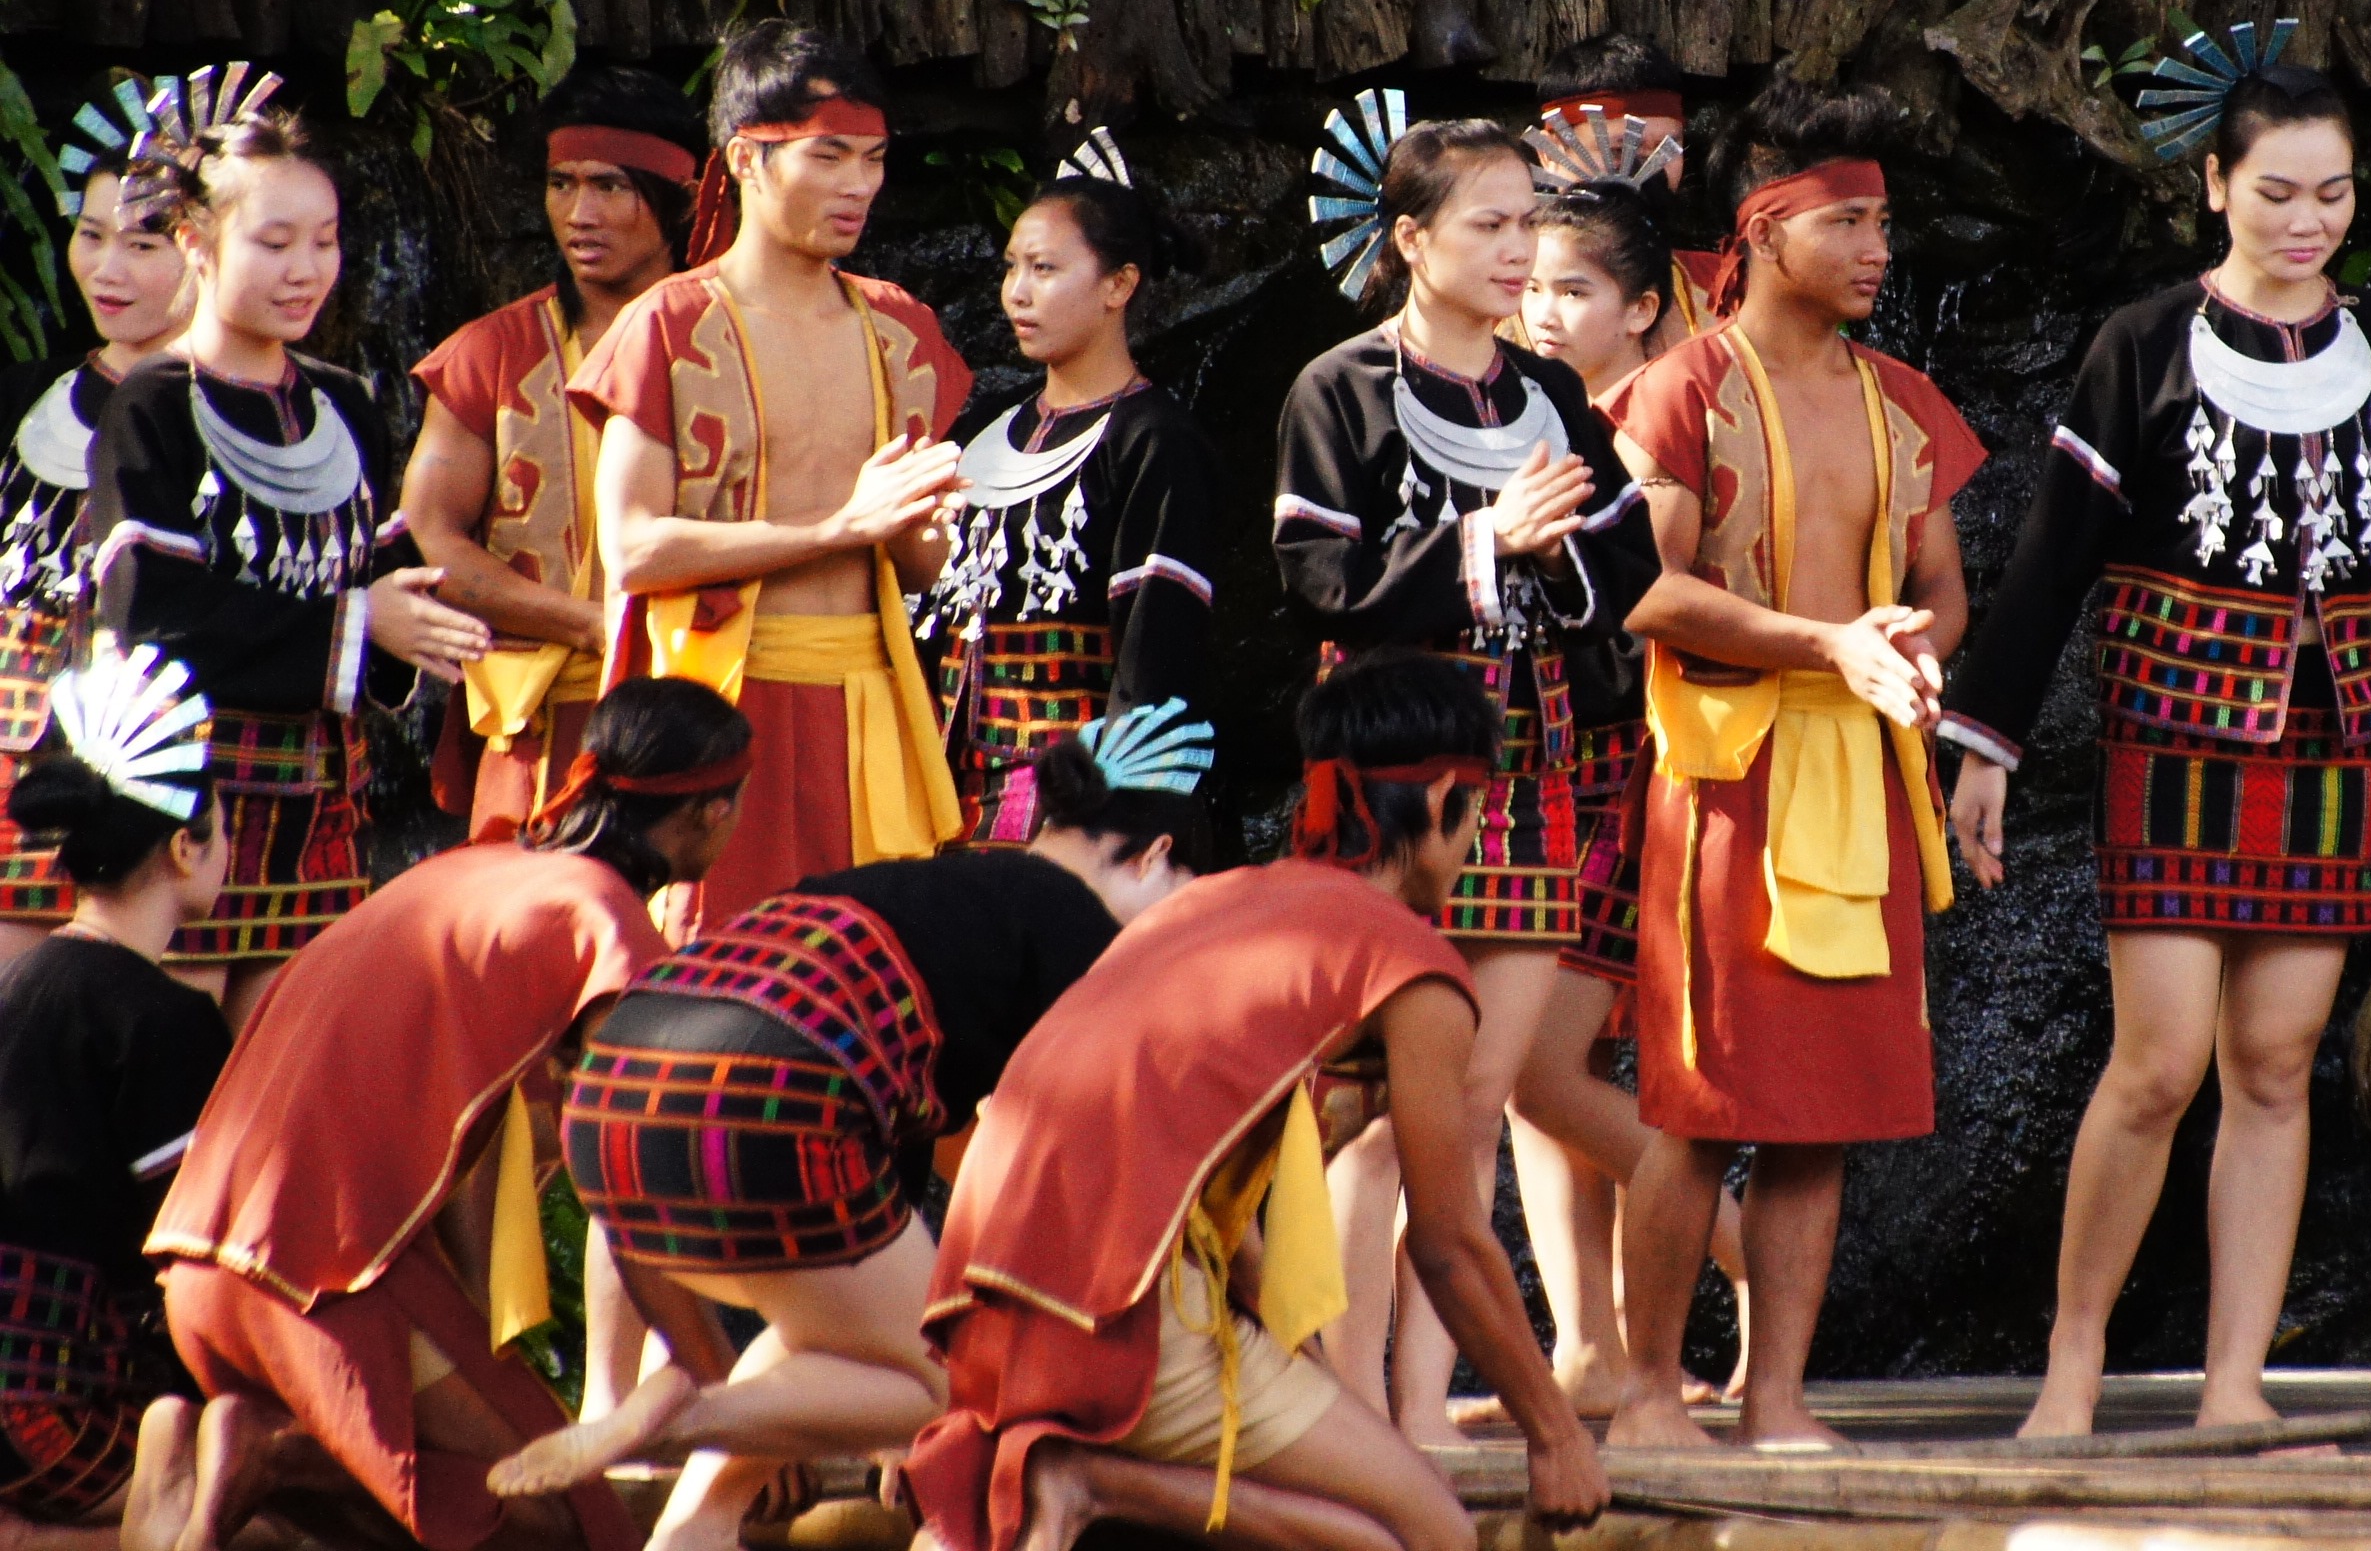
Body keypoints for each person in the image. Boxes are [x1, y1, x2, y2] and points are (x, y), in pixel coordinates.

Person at [1942, 48, 2371, 1436]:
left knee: (2279, 1061)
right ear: (2215, 185)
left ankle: (2235, 1382)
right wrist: (1986, 742)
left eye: (2332, 194)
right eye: (2278, 192)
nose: (2308, 221)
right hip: (2173, 726)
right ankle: (2072, 1362)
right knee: (2160, 1063)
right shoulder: (2143, 342)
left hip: (2335, 734)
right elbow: (2054, 557)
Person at [904, 648, 1607, 1551]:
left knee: (1372, 1516)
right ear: (1444, 801)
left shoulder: (1212, 901)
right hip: (1106, 1326)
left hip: (977, 1307)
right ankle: (1091, 1480)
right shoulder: (1412, 962)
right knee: (1436, 1534)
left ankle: (1100, 1480)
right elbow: (1450, 1246)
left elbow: (1190, 1194)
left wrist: (1313, 1379)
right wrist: (1555, 1435)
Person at [488, 705, 1208, 1551]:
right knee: (952, 1390)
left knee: (823, 1346)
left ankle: (693, 1529)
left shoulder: (924, 891)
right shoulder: (1077, 933)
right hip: (770, 1095)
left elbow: (891, 1204)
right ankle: (685, 1420)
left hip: (615, 1097)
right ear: (1156, 858)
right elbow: (1080, 1178)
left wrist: (867, 1411)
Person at [137, 680, 757, 1551]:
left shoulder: (475, 867)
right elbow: (633, 1191)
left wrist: (469, 1332)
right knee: (578, 1527)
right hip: (318, 1282)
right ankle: (279, 1456)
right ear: (709, 814)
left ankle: (210, 1456)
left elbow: (462, 1148)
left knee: (391, 1522)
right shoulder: (604, 925)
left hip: (199, 1269)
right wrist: (734, 1400)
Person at [1603, 80, 1985, 1452]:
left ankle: (1776, 1399)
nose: (1880, 249)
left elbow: (1943, 592)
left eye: (1883, 223)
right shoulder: (1682, 388)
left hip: (1861, 772)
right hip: (1727, 773)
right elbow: (1644, 591)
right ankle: (1649, 1397)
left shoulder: (1905, 403)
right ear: (1764, 230)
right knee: (1701, 1107)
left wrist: (1908, 647)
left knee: (1821, 1116)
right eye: (1848, 224)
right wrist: (1831, 643)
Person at [1273, 105, 1662, 1442]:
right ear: (1409, 240)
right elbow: (1316, 577)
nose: (1515, 252)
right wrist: (1487, 542)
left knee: (1476, 1105)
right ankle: (1345, 1396)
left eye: (1526, 224)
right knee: (1373, 1102)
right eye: (1488, 225)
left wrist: (1553, 553)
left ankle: (1425, 1406)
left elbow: (1630, 569)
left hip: (1529, 760)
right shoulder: (1339, 388)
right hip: (1388, 771)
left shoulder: (1551, 396)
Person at [82, 73, 490, 1013]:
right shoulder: (153, 406)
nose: (306, 269)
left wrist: (424, 617)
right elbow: (148, 616)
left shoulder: (342, 401)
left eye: (325, 241)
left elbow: (368, 571)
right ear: (196, 241)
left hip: (321, 811)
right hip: (188, 807)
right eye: (274, 243)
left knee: (291, 1065)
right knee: (181, 1064)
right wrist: (358, 623)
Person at [571, 23, 972, 936]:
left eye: (873, 159)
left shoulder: (900, 331)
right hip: (720, 709)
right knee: (717, 964)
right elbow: (633, 549)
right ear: (746, 159)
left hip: (869, 704)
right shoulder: (667, 324)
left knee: (873, 968)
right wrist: (839, 528)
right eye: (828, 157)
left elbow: (916, 569)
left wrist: (919, 527)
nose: (858, 185)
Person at [1507, 180, 1748, 1414]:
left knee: (1542, 1067)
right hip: (1544, 759)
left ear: (1644, 307)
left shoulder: (1647, 419)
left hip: (1630, 759)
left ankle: (1749, 1259)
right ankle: (1586, 1347)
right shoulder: (1524, 412)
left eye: (1573, 289)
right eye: (1531, 285)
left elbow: (1640, 603)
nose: (1541, 311)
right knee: (1544, 1076)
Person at [404, 69, 712, 842]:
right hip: (539, 719)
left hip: (707, 704)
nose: (580, 214)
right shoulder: (486, 355)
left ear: (681, 198)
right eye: (562, 183)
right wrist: (587, 624)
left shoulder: (736, 345)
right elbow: (434, 537)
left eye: (610, 186)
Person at [917, 132, 1223, 853]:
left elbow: (1156, 656)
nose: (1017, 292)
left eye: (1045, 268)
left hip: (1069, 798)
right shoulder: (985, 434)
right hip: (945, 795)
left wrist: (1111, 827)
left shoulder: (1155, 442)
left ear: (1119, 285)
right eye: (1013, 267)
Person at [0, 639, 231, 1551]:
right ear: (184, 847)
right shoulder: (165, 1020)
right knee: (297, 1507)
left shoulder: (19, 983)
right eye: (223, 826)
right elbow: (191, 1259)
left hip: (21, 1397)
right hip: (53, 1409)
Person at [0, 76, 198, 958]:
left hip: (164, 771)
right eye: (91, 235)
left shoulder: (237, 415)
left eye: (143, 243)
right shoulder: (20, 397)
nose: (107, 270)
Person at [1530, 38, 1719, 334]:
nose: (1650, 169)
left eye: (1667, 149)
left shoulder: (1722, 286)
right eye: (1620, 150)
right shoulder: (1492, 298)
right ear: (1551, 152)